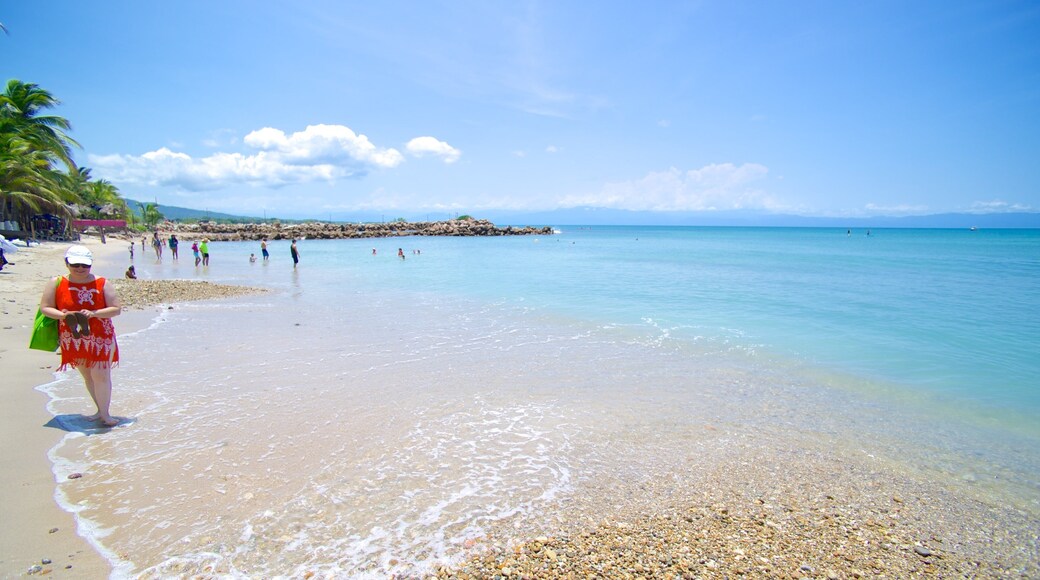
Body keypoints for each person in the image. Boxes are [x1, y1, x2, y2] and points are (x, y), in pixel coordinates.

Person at [38, 245, 122, 427]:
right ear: (66, 263)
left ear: (91, 264)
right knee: (88, 376)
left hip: (100, 335)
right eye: (75, 264)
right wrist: (63, 316)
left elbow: (116, 309)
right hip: (73, 334)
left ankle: (105, 414)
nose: (80, 268)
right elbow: (45, 307)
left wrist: (94, 313)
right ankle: (100, 410)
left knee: (101, 375)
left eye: (85, 265)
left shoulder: (102, 283)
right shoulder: (56, 282)